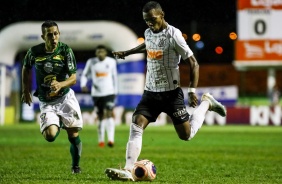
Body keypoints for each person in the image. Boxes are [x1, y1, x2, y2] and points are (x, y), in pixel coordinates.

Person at [105, 1, 227, 181]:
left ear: (162, 14)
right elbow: (148, 44)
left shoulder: (174, 35)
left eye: (152, 19)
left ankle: (207, 102)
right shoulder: (148, 32)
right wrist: (128, 52)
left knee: (186, 135)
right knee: (137, 123)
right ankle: (128, 169)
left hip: (171, 94)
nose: (149, 23)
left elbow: (194, 63)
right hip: (150, 93)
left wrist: (192, 90)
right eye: (146, 20)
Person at [21, 20, 83, 174]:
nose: (54, 38)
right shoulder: (34, 52)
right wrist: (26, 90)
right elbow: (25, 68)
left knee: (73, 133)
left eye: (56, 34)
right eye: (50, 35)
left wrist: (61, 84)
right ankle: (58, 122)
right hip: (46, 101)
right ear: (43, 37)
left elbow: (73, 78)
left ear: (59, 34)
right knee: (50, 136)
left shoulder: (65, 50)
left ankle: (76, 167)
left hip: (65, 99)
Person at [80, 45, 118, 148]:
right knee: (101, 116)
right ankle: (101, 141)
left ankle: (111, 139)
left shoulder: (111, 62)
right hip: (96, 93)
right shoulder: (91, 62)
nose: (100, 54)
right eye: (98, 52)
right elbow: (84, 74)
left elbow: (114, 77)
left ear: (106, 53)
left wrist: (115, 91)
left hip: (109, 92)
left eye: (102, 52)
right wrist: (83, 84)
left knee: (109, 113)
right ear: (96, 53)